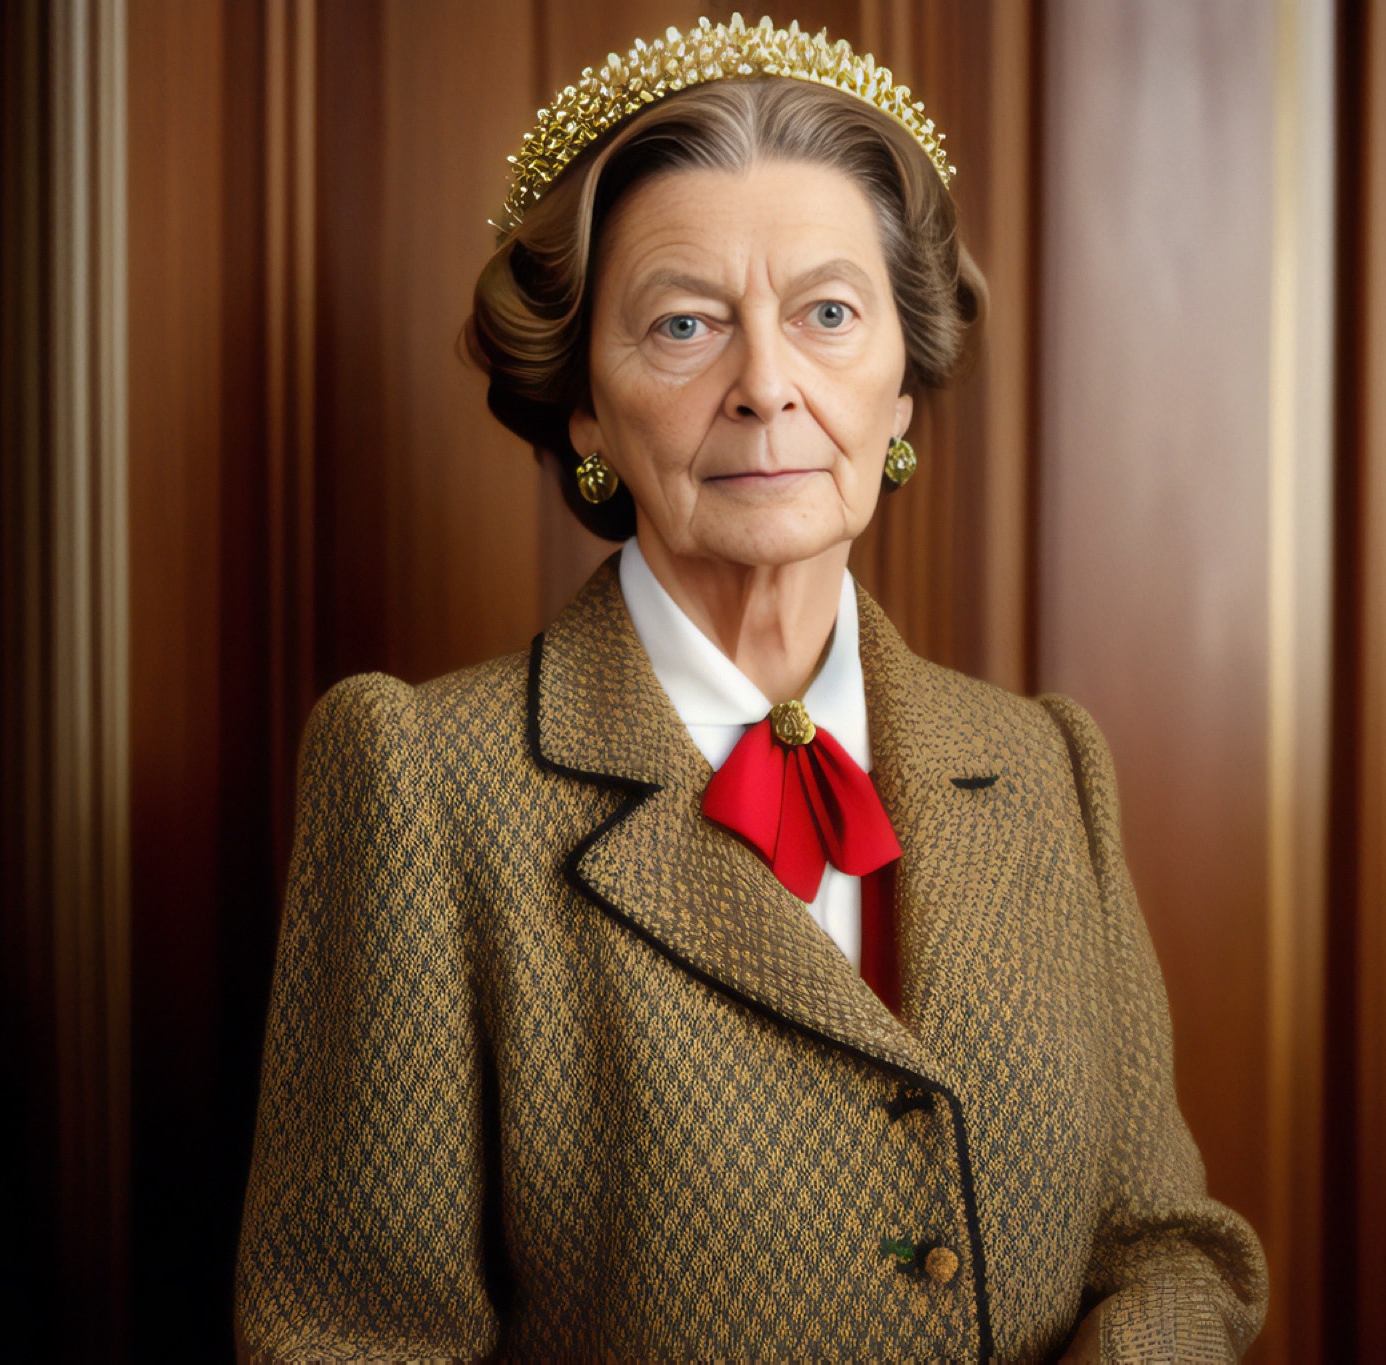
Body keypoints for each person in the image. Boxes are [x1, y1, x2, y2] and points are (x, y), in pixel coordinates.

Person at [235, 15, 1266, 1360]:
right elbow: (348, 1341)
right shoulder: (422, 781)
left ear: (901, 387)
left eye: (828, 315)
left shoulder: (1042, 765)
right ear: (587, 407)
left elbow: (1170, 1252)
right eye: (684, 325)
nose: (767, 388)